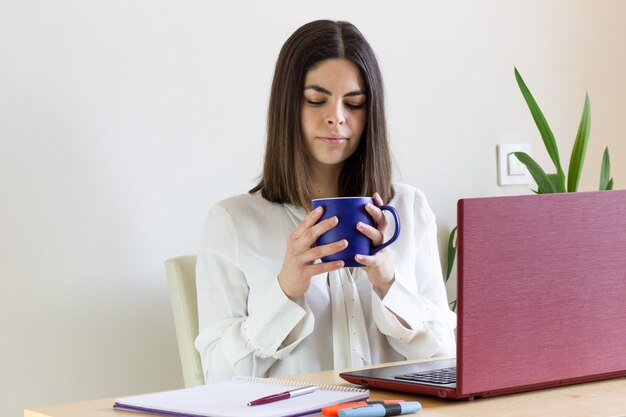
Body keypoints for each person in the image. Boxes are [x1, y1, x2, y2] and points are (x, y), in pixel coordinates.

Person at [195, 19, 456, 383]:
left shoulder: (408, 209)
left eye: (354, 103)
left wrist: (388, 283)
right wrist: (285, 292)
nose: (336, 116)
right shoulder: (234, 222)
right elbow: (217, 378)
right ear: (288, 107)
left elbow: (446, 358)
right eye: (316, 100)